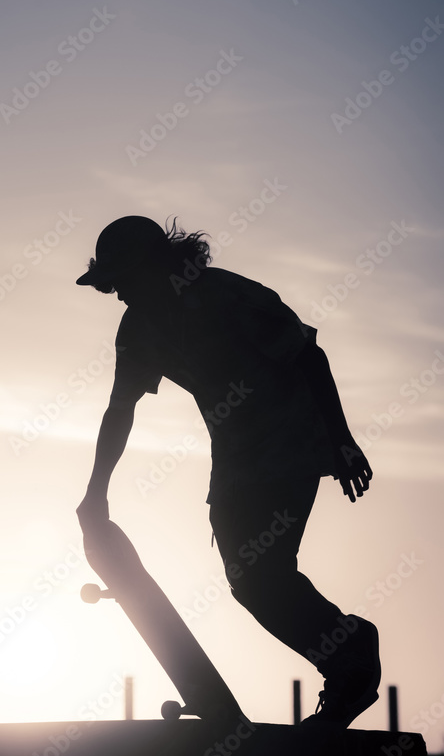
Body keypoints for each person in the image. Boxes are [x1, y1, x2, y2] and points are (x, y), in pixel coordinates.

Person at [75, 214, 381, 727]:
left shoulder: (228, 297)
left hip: (291, 442)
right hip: (236, 459)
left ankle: (349, 654)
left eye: (124, 282)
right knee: (248, 581)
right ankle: (345, 652)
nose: (120, 295)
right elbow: (120, 409)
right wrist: (96, 491)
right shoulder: (140, 328)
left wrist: (343, 442)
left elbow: (311, 358)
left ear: (151, 267)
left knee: (263, 573)